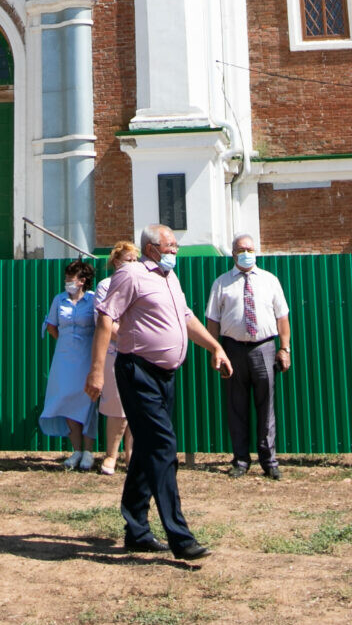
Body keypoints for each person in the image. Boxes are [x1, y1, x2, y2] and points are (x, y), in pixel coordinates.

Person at [83, 224, 234, 560]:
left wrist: (215, 348)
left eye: (176, 246)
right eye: (170, 246)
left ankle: (136, 529)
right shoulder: (131, 275)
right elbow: (106, 319)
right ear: (151, 248)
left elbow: (187, 317)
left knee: (149, 448)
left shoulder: (170, 279)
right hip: (137, 371)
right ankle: (180, 537)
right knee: (164, 445)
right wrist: (96, 371)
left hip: (166, 375)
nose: (175, 251)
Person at [204, 233, 291, 479]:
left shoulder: (269, 280)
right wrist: (215, 351)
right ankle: (240, 460)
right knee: (236, 406)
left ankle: (269, 461)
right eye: (242, 249)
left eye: (250, 249)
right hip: (232, 349)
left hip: (264, 347)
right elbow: (213, 320)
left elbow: (282, 317)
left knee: (267, 406)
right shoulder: (221, 283)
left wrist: (285, 348)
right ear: (233, 254)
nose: (247, 253)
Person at [39, 259, 101, 469]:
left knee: (87, 400)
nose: (67, 282)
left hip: (87, 356)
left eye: (70, 279)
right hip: (64, 358)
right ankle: (76, 450)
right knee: (67, 399)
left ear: (82, 281)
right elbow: (51, 327)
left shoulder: (93, 300)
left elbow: (100, 327)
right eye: (66, 279)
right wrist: (66, 342)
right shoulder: (59, 299)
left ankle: (89, 452)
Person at [89, 241, 137, 476]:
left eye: (136, 260)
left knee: (138, 406)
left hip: (139, 351)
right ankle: (111, 455)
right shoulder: (105, 286)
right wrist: (130, 337)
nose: (134, 264)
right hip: (115, 351)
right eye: (129, 260)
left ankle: (132, 456)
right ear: (117, 262)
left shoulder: (142, 283)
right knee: (117, 404)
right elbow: (104, 320)